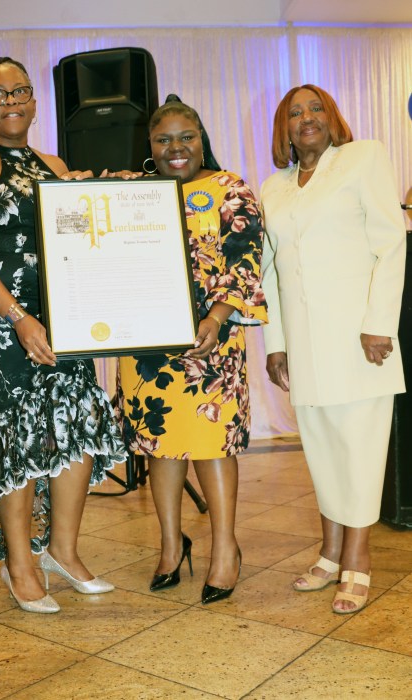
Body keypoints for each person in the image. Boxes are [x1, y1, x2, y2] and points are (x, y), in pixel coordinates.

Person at [0, 57, 126, 613]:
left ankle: (63, 551)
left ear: (35, 101)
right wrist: (20, 317)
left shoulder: (55, 163)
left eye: (20, 90)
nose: (11, 100)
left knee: (77, 423)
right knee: (14, 438)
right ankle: (18, 563)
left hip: (61, 316)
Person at [260, 84, 406, 614]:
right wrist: (276, 343)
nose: (306, 118)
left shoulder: (363, 158)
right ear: (284, 128)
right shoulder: (272, 187)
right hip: (303, 345)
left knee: (359, 450)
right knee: (321, 450)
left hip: (358, 339)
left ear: (332, 115)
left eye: (315, 108)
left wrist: (378, 324)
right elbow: (270, 272)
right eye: (295, 113)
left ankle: (358, 561)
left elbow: (391, 242)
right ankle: (329, 553)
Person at [116, 97, 267, 604]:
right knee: (161, 442)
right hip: (147, 344)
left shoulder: (229, 189)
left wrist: (216, 317)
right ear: (149, 147)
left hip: (212, 340)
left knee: (211, 441)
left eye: (187, 136)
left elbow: (244, 260)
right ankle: (169, 544)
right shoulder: (135, 191)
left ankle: (225, 549)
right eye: (164, 139)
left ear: (202, 139)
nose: (176, 148)